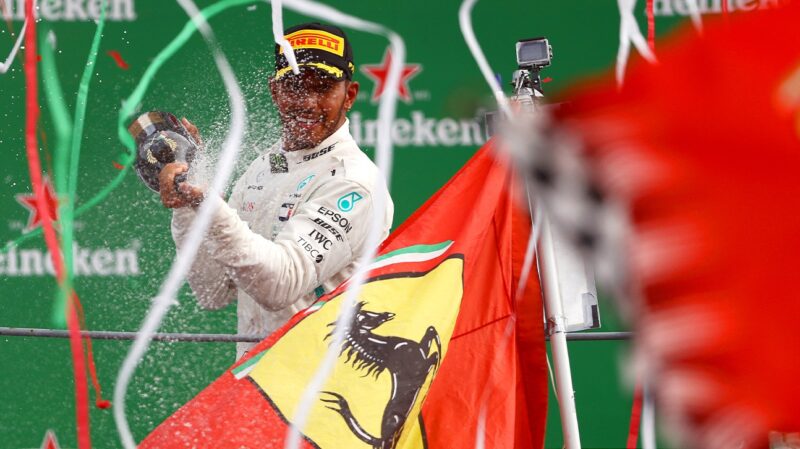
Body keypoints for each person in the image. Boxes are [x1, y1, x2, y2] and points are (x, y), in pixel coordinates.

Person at [158, 22, 394, 359]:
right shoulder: (267, 165)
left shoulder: (355, 182)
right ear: (275, 92)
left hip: (322, 397)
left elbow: (279, 285)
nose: (308, 102)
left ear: (350, 95)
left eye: (324, 88)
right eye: (295, 87)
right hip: (256, 388)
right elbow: (213, 292)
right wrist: (188, 201)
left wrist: (210, 206)